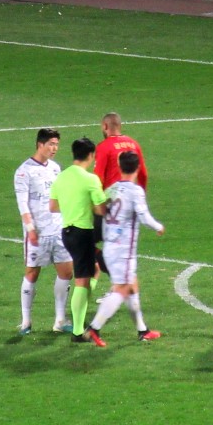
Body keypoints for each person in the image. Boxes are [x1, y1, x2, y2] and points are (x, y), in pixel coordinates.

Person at [85, 151, 165, 347]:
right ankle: (94, 328)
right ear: (137, 168)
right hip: (123, 252)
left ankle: (142, 330)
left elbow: (100, 212)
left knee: (132, 286)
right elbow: (144, 216)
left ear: (119, 167)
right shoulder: (135, 191)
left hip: (110, 247)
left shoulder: (111, 189)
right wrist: (158, 226)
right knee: (121, 290)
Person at [93, 112, 160, 341]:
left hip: (110, 208)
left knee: (129, 282)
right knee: (123, 283)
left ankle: (142, 329)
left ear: (105, 126)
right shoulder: (133, 144)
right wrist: (138, 199)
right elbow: (145, 174)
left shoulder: (103, 147)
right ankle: (96, 326)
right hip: (126, 216)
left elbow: (97, 179)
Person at [14, 128, 73, 335]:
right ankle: (26, 321)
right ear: (40, 144)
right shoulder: (24, 171)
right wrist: (30, 229)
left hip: (58, 230)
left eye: (56, 144)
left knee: (66, 272)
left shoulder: (56, 169)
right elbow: (23, 205)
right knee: (32, 274)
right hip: (37, 233)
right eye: (51, 144)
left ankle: (59, 320)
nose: (54, 148)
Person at [49, 137, 108, 344]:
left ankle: (81, 314)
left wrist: (74, 204)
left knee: (95, 270)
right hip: (83, 233)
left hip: (67, 233)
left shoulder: (61, 177)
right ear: (91, 156)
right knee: (82, 280)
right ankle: (77, 332)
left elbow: (53, 207)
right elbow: (102, 209)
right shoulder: (90, 179)